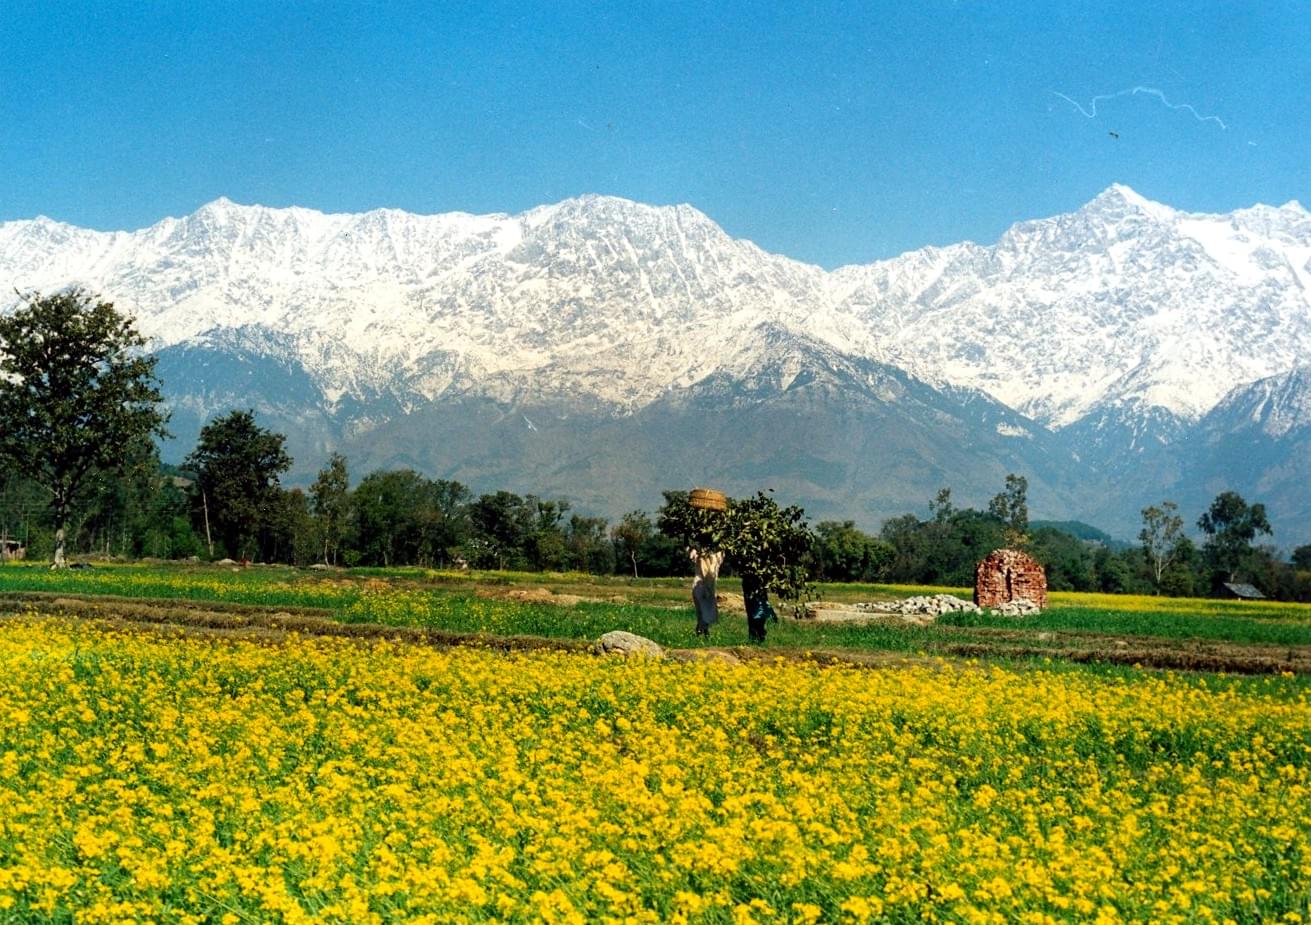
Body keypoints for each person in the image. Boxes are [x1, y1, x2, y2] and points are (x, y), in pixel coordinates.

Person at [689, 547, 724, 635]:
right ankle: (702, 632)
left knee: (703, 611)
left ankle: (702, 631)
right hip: (702, 585)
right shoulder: (703, 554)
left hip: (704, 585)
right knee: (704, 611)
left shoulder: (713, 555)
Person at [740, 571, 776, 643]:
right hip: (750, 581)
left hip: (759, 582)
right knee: (752, 611)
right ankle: (755, 636)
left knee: (760, 609)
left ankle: (759, 635)